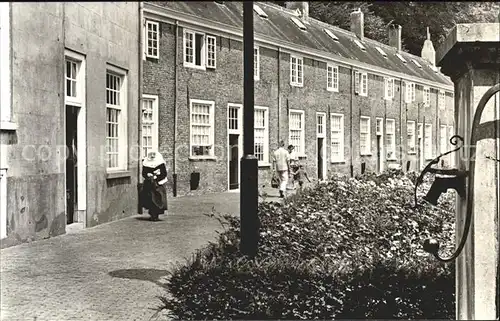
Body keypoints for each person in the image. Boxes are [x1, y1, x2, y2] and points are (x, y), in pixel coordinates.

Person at [141, 150, 168, 221]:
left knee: (158, 199)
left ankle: (156, 214)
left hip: (158, 184)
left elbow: (164, 173)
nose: (152, 156)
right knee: (150, 199)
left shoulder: (160, 163)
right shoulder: (146, 163)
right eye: (150, 154)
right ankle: (152, 214)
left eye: (154, 154)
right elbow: (143, 173)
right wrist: (147, 175)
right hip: (149, 184)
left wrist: (157, 177)